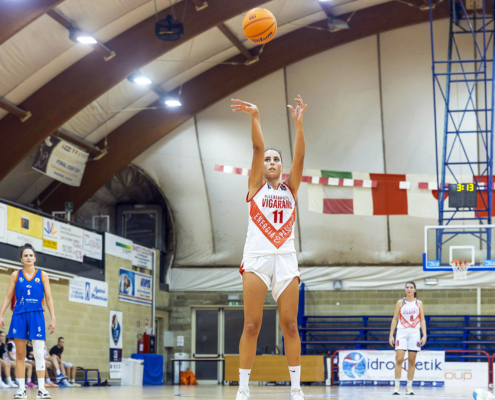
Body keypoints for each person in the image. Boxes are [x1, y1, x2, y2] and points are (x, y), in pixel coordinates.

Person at [231, 95, 307, 400]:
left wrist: (299, 125)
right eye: (268, 159)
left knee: (291, 326)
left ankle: (296, 389)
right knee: (252, 325)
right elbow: (257, 148)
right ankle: (243, 388)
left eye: (276, 159)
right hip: (257, 258)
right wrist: (255, 117)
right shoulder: (255, 187)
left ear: (282, 167)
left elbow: (300, 158)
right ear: (261, 166)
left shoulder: (291, 189)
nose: (271, 162)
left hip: (286, 259)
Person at [0, 244, 56, 399]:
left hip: (37, 315)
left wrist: (53, 317)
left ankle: (41, 389)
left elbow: (49, 298)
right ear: (21, 259)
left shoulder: (43, 275)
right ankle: (21, 389)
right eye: (25, 255)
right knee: (20, 354)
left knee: (38, 353)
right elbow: (8, 296)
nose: (28, 258)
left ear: (35, 258)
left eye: (31, 255)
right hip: (19, 315)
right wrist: (1, 314)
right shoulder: (15, 275)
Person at [389, 281, 427, 396]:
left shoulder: (419, 303)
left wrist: (424, 334)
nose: (409, 289)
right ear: (405, 290)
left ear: (415, 290)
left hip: (414, 333)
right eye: (407, 287)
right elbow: (394, 319)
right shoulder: (400, 302)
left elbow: (422, 320)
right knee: (399, 359)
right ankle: (396, 386)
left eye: (411, 287)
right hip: (401, 332)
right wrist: (391, 334)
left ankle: (409, 386)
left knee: (412, 361)